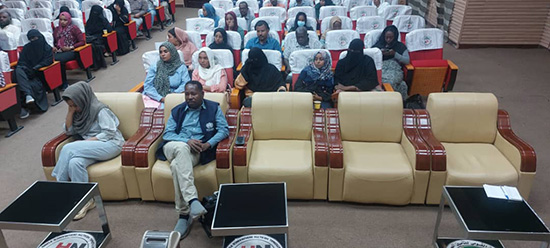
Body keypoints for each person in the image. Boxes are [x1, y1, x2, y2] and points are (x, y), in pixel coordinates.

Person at [156, 81, 229, 239]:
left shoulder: (213, 108)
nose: (190, 97)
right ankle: (192, 199)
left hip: (195, 151)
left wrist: (208, 144)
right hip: (173, 146)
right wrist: (186, 140)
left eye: (193, 94)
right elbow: (168, 134)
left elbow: (223, 130)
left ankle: (184, 215)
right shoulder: (177, 111)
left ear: (202, 94)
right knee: (181, 148)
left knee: (176, 166)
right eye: (187, 94)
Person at [52, 81, 125, 220]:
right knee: (75, 163)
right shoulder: (78, 113)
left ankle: (59, 189)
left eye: (75, 105)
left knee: (69, 148)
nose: (74, 108)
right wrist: (70, 112)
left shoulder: (99, 109)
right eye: (70, 106)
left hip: (111, 144)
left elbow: (109, 132)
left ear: (82, 99)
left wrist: (85, 143)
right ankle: (85, 200)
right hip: (93, 147)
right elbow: (68, 131)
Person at [15, 30, 53, 118]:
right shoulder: (27, 48)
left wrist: (36, 67)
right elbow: (22, 62)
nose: (33, 41)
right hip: (25, 72)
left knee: (21, 77)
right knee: (18, 70)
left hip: (37, 74)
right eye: (31, 39)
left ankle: (27, 97)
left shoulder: (46, 48)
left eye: (35, 38)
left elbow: (48, 61)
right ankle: (28, 94)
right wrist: (26, 68)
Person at [143, 42, 190, 108]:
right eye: (161, 52)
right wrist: (160, 98)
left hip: (177, 96)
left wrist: (173, 95)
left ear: (172, 52)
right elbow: (148, 86)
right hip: (156, 97)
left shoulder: (181, 67)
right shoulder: (155, 67)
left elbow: (185, 83)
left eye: (165, 52)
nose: (163, 54)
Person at [373, 25, 409, 99]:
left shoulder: (400, 46)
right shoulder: (378, 45)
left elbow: (407, 60)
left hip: (394, 68)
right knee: (401, 85)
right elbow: (370, 56)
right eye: (387, 37)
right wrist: (379, 53)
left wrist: (395, 54)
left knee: (392, 81)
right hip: (382, 67)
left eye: (391, 38)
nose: (388, 40)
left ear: (395, 37)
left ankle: (392, 100)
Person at [53, 12, 86, 90]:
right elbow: (55, 42)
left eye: (65, 20)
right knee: (50, 60)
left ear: (69, 20)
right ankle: (54, 84)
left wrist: (71, 47)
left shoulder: (74, 28)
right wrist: (54, 47)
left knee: (59, 61)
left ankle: (64, 83)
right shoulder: (57, 30)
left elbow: (82, 41)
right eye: (61, 20)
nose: (62, 22)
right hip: (60, 51)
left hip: (72, 51)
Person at [85, 5, 113, 71]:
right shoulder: (90, 21)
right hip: (91, 37)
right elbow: (87, 31)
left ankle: (96, 64)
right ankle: (89, 64)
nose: (95, 14)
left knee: (94, 45)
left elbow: (110, 29)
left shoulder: (103, 19)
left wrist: (103, 19)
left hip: (101, 37)